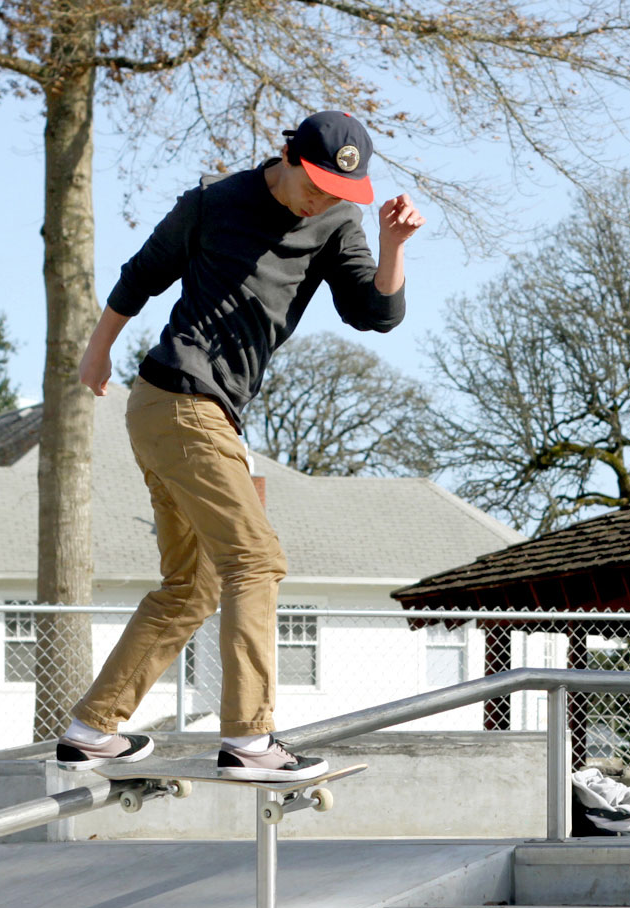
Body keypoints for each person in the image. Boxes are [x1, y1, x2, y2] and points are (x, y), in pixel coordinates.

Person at [54, 111, 426, 777]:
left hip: (200, 417)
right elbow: (141, 274)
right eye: (312, 183)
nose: (321, 198)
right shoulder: (213, 204)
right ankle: (250, 740)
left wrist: (394, 247)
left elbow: (376, 314)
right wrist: (97, 350)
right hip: (175, 400)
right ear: (286, 156)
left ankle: (92, 728)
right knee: (256, 560)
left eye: (336, 191)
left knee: (192, 585)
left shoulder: (339, 223)